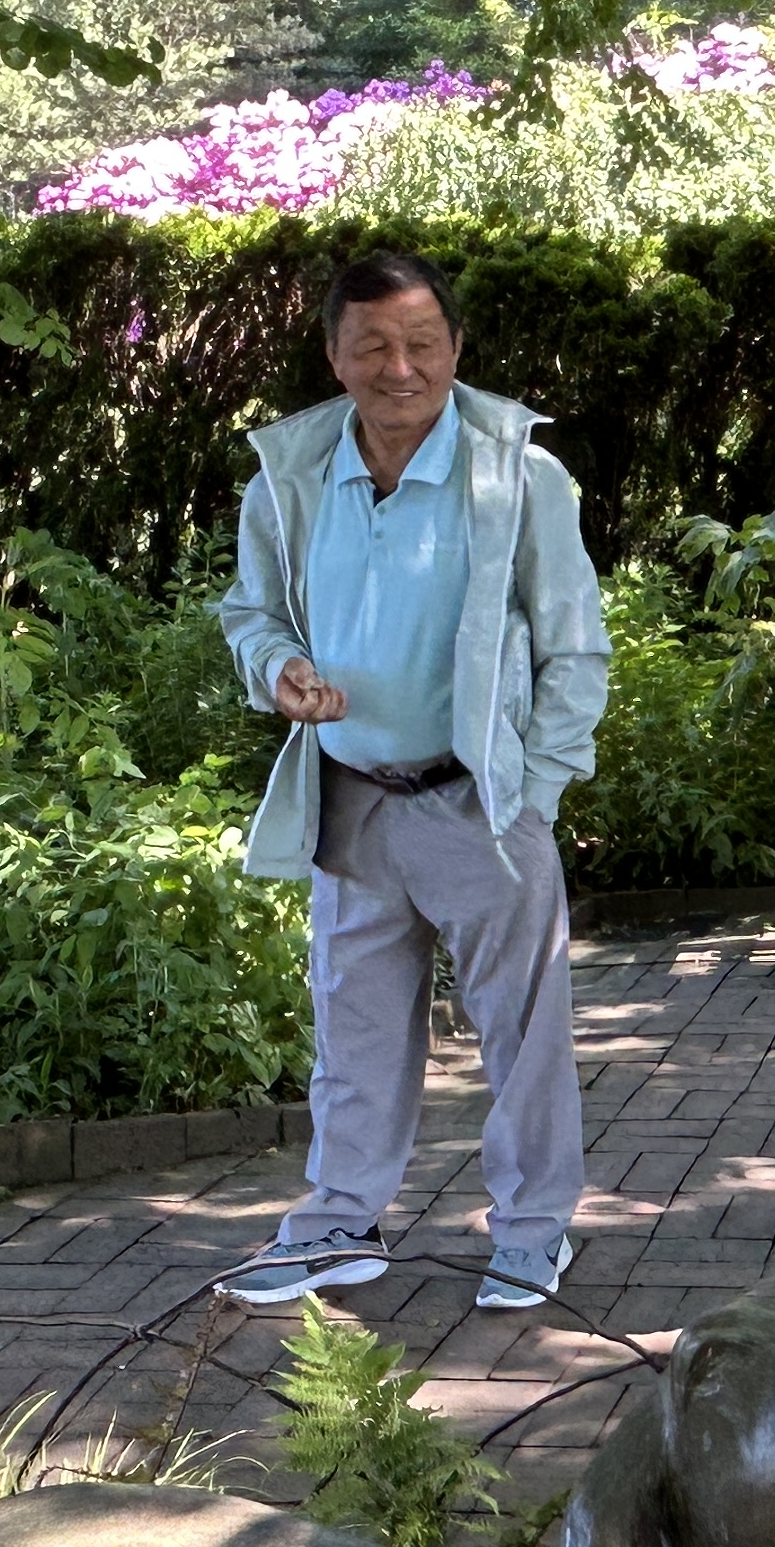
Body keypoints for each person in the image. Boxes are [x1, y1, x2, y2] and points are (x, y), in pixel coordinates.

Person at [214, 253, 613, 1309]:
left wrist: (537, 793)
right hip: (353, 796)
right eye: (374, 347)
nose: (401, 369)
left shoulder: (518, 477)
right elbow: (252, 614)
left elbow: (576, 648)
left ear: (456, 348)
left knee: (522, 1036)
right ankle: (341, 1224)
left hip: (480, 803)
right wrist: (278, 669)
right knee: (352, 1032)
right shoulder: (291, 477)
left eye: (422, 344)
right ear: (334, 356)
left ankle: (533, 1233)